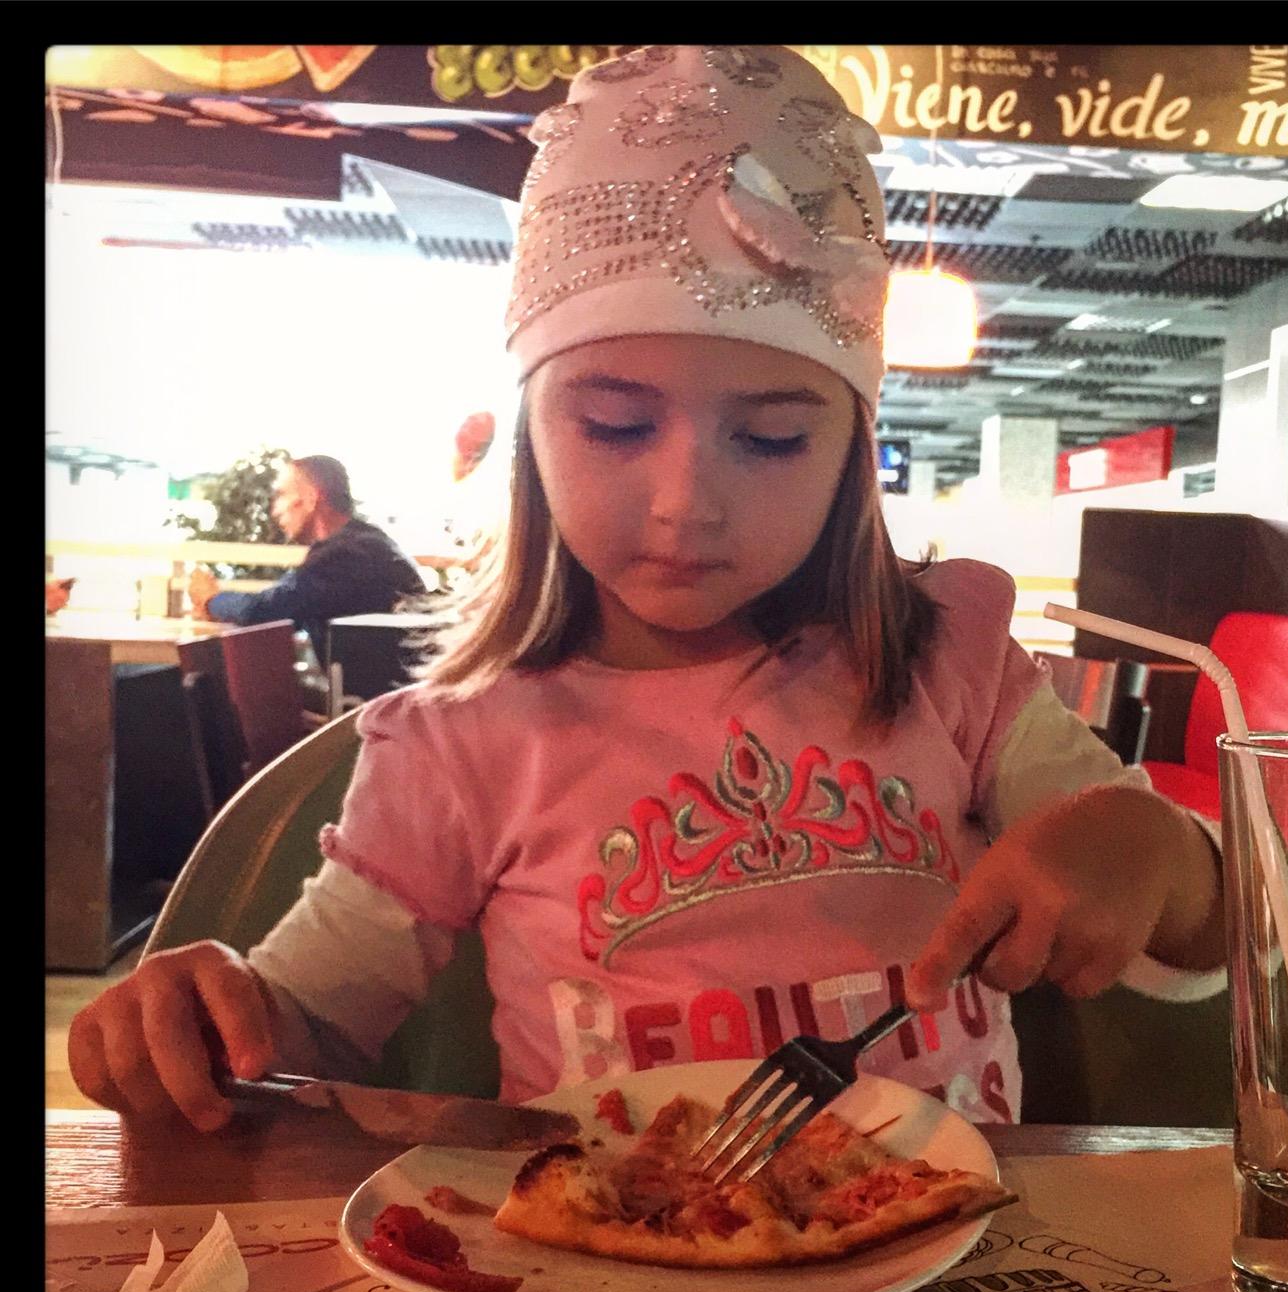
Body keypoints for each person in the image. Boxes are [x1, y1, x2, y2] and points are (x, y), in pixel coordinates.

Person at [70, 46, 1227, 1134]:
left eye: (770, 440)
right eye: (616, 425)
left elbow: (1219, 926)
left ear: (849, 455)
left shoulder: (946, 662)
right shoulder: (461, 745)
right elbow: (308, 1019)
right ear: (533, 433)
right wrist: (212, 1016)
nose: (685, 505)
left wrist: (1151, 851)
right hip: (604, 1251)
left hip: (957, 1252)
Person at [187, 455, 426, 659]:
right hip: (387, 688)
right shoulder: (364, 543)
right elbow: (283, 602)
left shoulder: (346, 555)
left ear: (312, 498)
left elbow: (262, 611)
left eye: (281, 495)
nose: (275, 510)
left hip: (375, 696)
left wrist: (210, 599)